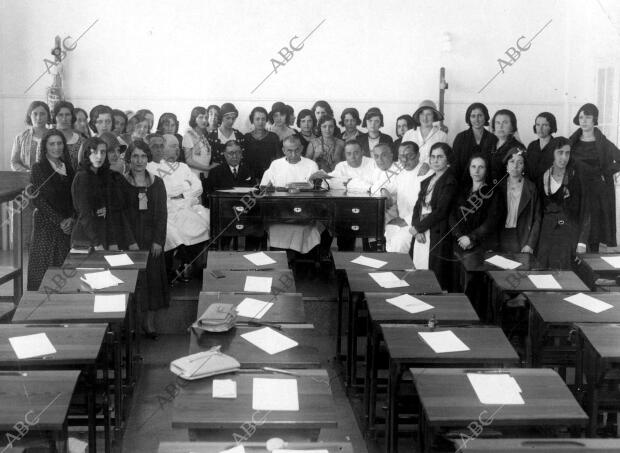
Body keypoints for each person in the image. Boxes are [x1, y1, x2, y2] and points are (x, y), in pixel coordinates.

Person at [122, 140, 169, 339]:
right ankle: (131, 326)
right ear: (129, 159)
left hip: (152, 242)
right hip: (131, 241)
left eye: (142, 156)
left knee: (153, 283)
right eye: (135, 156)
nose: (139, 161)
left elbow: (162, 214)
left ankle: (149, 324)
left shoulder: (157, 182)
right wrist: (130, 241)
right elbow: (121, 216)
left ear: (147, 158)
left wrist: (159, 240)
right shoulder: (122, 183)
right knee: (133, 284)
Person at [154, 134, 209, 282]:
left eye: (178, 146)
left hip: (186, 204)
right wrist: (183, 189)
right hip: (167, 208)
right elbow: (164, 191)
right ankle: (175, 267)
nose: (177, 149)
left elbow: (197, 186)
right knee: (173, 232)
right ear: (162, 148)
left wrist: (187, 194)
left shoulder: (184, 166)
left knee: (203, 223)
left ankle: (192, 266)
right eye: (173, 146)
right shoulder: (155, 167)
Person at [27, 130, 75, 291]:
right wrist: (60, 221)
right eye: (52, 144)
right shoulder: (38, 168)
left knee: (62, 274)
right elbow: (38, 199)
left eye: (60, 143)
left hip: (66, 228)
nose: (56, 147)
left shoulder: (68, 167)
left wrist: (71, 219)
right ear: (45, 147)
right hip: (46, 226)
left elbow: (75, 197)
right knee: (43, 271)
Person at [568, 103, 620, 251]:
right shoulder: (572, 142)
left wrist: (605, 172)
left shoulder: (603, 143)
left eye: (588, 117)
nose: (583, 121)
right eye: (581, 117)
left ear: (594, 119)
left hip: (596, 192)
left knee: (593, 232)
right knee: (575, 230)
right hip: (576, 190)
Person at [71, 137, 137, 251]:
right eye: (94, 152)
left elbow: (108, 212)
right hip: (85, 238)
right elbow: (84, 215)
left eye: (103, 152)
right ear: (87, 154)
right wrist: (97, 243)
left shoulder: (102, 175)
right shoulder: (83, 176)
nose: (99, 156)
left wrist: (112, 241)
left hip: (102, 236)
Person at [260, 135, 322, 254]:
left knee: (308, 228)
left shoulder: (311, 165)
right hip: (280, 212)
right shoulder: (275, 165)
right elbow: (264, 189)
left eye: (297, 150)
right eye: (289, 151)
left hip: (305, 213)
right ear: (283, 150)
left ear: (302, 148)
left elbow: (317, 192)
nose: (293, 154)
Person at [311, 140, 376, 251]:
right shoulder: (341, 166)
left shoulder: (372, 163)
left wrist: (350, 183)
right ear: (344, 155)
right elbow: (329, 183)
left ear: (362, 152)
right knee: (337, 223)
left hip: (369, 208)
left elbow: (373, 187)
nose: (353, 157)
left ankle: (369, 255)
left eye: (356, 152)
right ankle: (339, 258)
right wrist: (350, 183)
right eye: (348, 154)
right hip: (347, 209)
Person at [410, 142, 458, 289]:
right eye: (433, 157)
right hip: (421, 231)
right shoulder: (427, 181)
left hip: (437, 231)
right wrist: (415, 228)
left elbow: (441, 211)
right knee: (417, 270)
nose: (435, 160)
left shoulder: (450, 181)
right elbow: (418, 207)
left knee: (433, 276)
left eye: (440, 157)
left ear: (448, 159)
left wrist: (418, 228)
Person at [537, 138, 590, 269]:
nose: (564, 157)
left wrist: (582, 242)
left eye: (567, 153)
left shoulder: (576, 177)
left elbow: (586, 210)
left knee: (567, 277)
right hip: (547, 234)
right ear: (552, 154)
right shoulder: (544, 176)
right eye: (560, 153)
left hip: (568, 233)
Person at [206, 140, 259, 250]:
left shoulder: (249, 170)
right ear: (224, 154)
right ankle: (223, 253)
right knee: (222, 224)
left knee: (257, 222)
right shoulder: (215, 172)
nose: (234, 156)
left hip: (246, 211)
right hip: (224, 212)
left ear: (241, 154)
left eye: (237, 152)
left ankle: (250, 253)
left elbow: (255, 192)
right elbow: (210, 197)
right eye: (230, 153)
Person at [449, 154, 503, 254]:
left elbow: (491, 221)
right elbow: (452, 216)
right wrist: (460, 237)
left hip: (483, 245)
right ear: (469, 169)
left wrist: (471, 238)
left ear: (486, 170)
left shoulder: (494, 192)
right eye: (473, 167)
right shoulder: (461, 190)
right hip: (460, 243)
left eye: (481, 167)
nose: (476, 171)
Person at [384, 142, 432, 253]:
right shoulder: (401, 173)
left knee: (398, 242)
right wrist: (384, 191)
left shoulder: (427, 174)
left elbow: (428, 206)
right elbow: (388, 187)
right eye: (401, 156)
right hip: (402, 222)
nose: (404, 160)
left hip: (419, 224)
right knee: (388, 234)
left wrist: (406, 221)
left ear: (418, 155)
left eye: (409, 155)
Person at [498, 148, 541, 254]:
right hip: (501, 236)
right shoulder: (498, 187)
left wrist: (530, 244)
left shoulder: (531, 188)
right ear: (506, 165)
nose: (515, 166)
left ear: (524, 166)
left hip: (522, 237)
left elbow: (537, 219)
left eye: (520, 162)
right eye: (512, 161)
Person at [451, 102, 497, 184]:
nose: (477, 119)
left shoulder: (493, 139)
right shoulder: (460, 137)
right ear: (469, 118)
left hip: (487, 184)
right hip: (462, 183)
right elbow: (454, 164)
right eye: (473, 116)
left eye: (480, 115)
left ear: (485, 117)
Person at [11, 101, 51, 172]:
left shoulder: (55, 136)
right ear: (30, 115)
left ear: (48, 115)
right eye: (35, 114)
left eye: (42, 114)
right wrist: (26, 171)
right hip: (26, 179)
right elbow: (14, 162)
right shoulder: (20, 137)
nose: (38, 118)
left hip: (50, 179)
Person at [243, 106, 280, 179]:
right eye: (257, 119)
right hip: (250, 176)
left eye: (263, 119)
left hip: (269, 176)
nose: (260, 122)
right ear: (252, 120)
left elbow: (278, 159)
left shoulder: (273, 137)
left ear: (266, 120)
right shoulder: (246, 137)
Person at [489, 109, 523, 185]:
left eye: (505, 123)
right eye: (497, 123)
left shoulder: (518, 148)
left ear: (512, 126)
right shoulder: (490, 144)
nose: (500, 126)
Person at [183, 106, 217, 181]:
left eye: (206, 117)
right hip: (193, 177)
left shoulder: (204, 136)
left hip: (205, 176)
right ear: (194, 119)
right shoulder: (188, 135)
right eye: (201, 117)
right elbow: (188, 161)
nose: (204, 120)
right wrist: (208, 168)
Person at [52, 101, 83, 171]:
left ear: (72, 117)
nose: (64, 119)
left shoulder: (81, 141)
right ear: (55, 117)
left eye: (67, 115)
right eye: (60, 115)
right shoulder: (46, 139)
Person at [526, 112, 557, 181]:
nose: (540, 128)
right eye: (538, 125)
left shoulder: (558, 146)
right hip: (532, 187)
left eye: (545, 125)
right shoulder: (532, 145)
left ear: (551, 126)